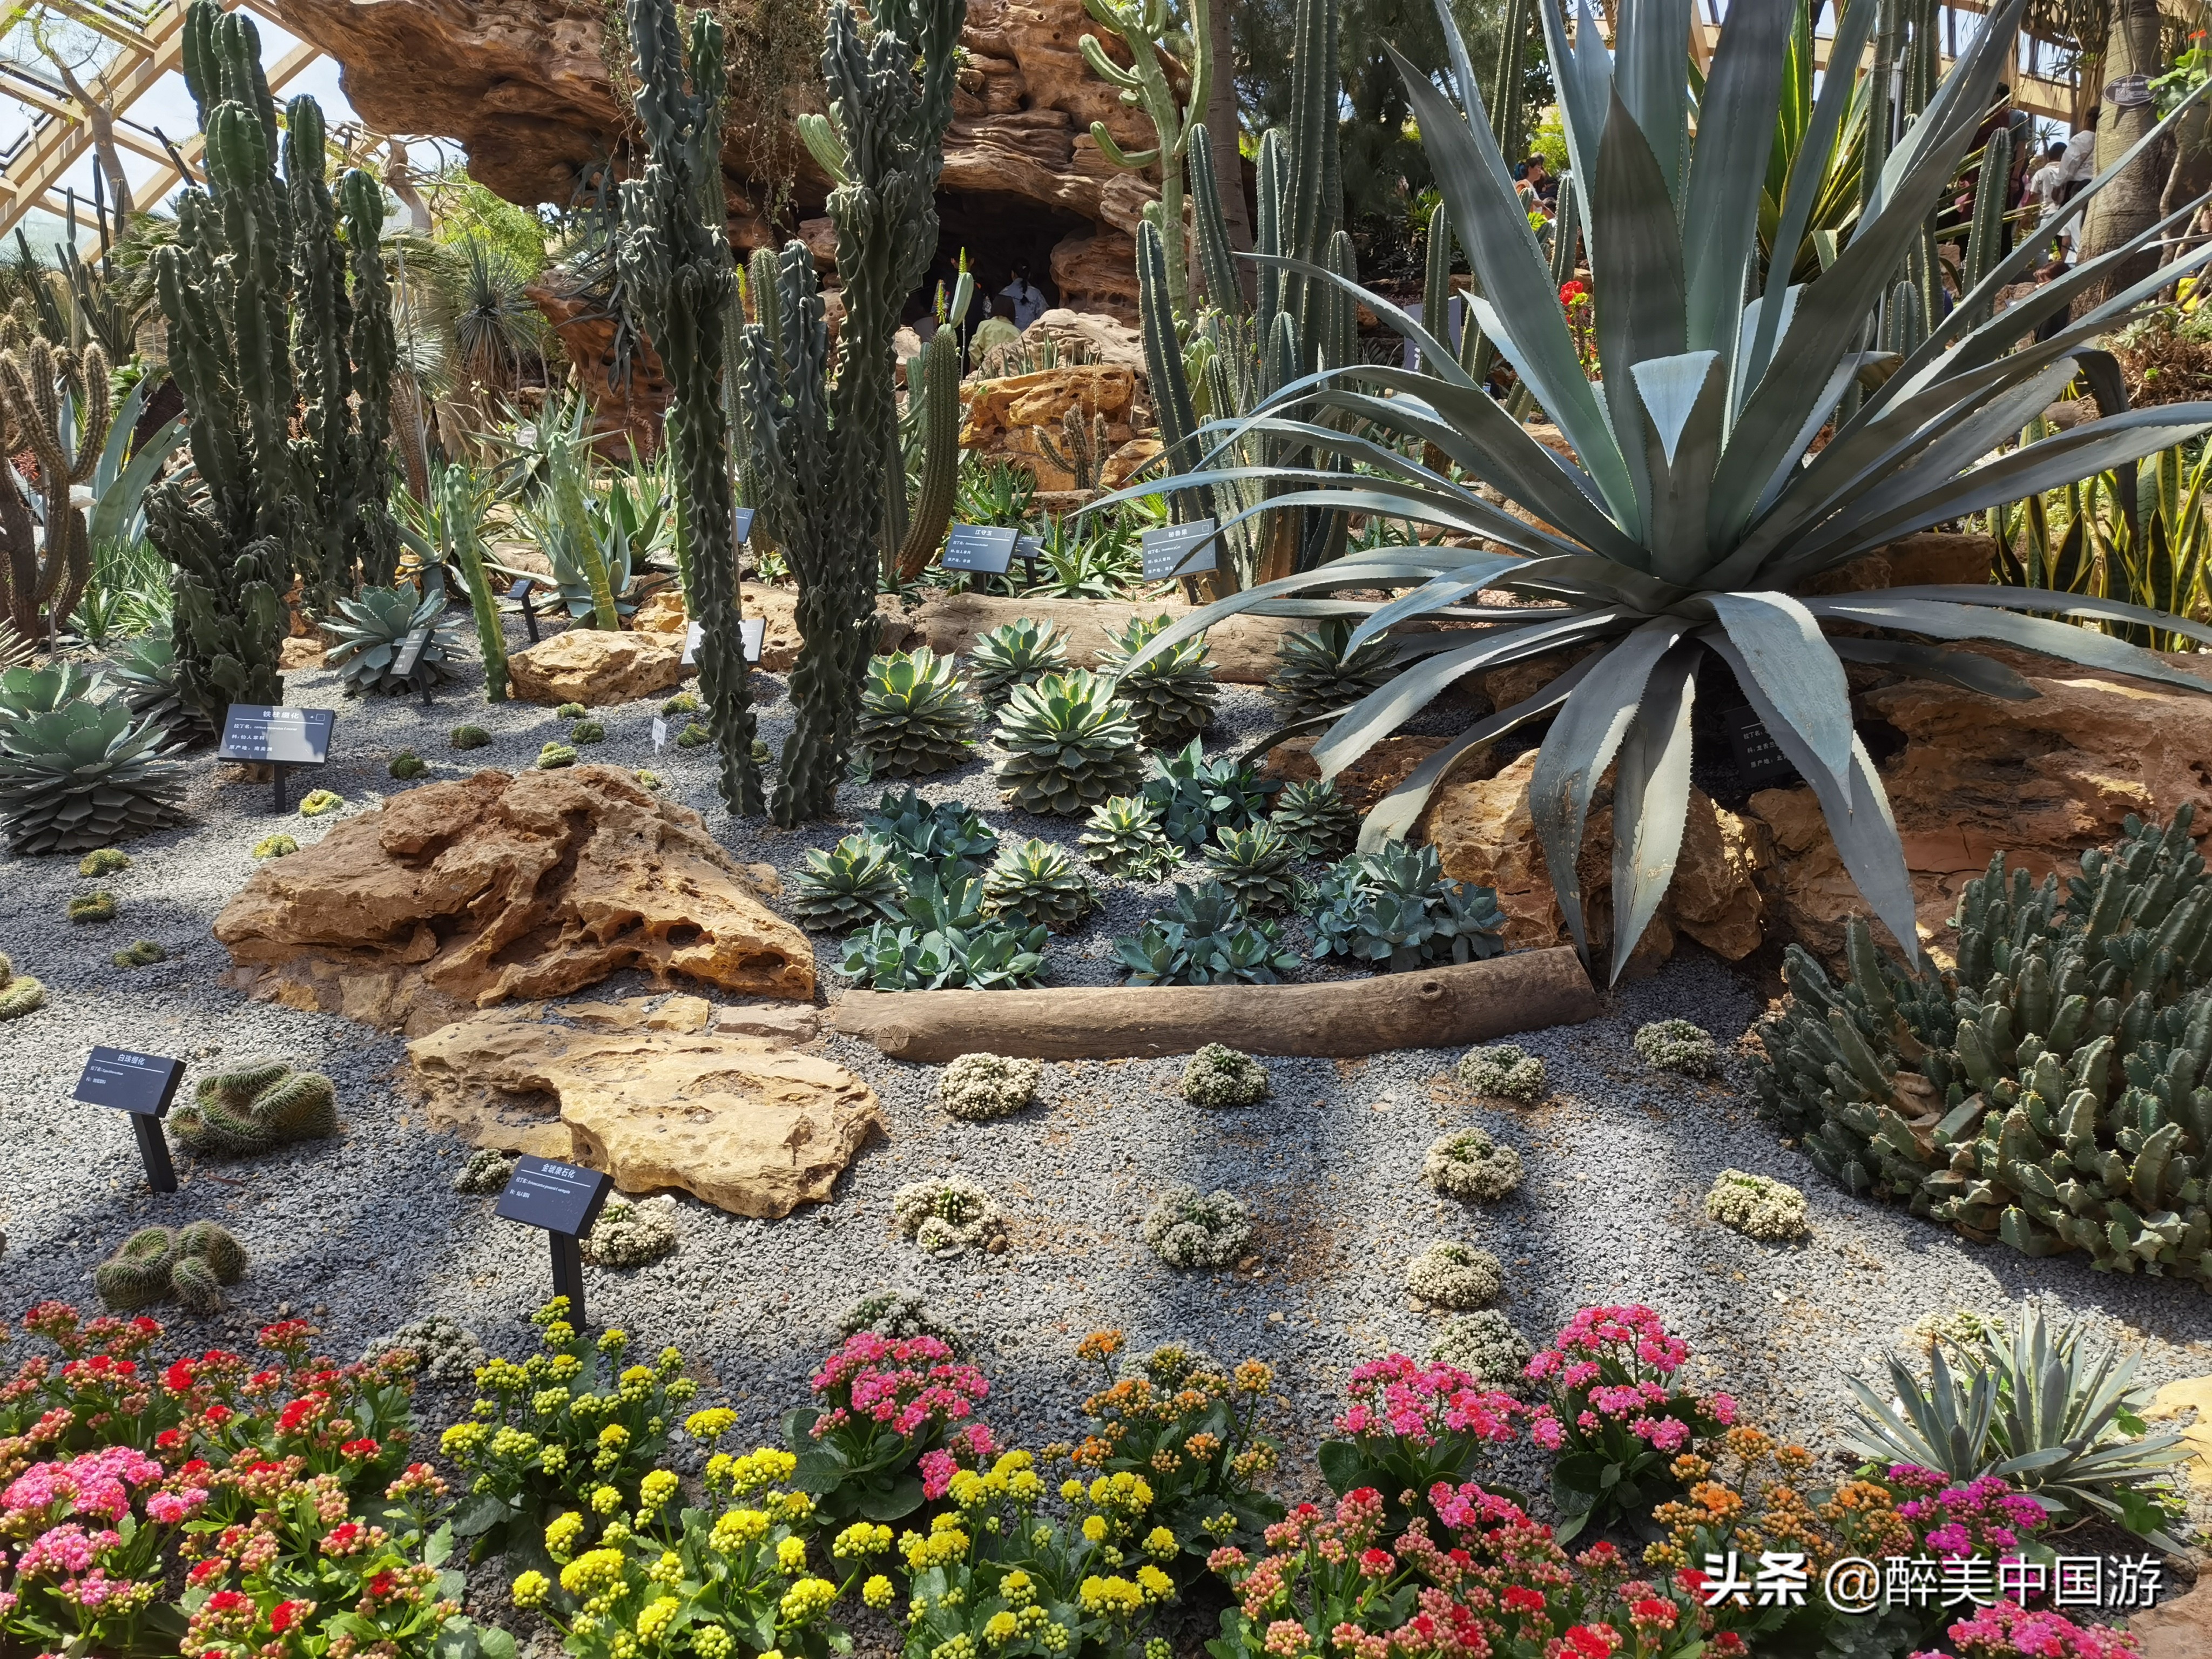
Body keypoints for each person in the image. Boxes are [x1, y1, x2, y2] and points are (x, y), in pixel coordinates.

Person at [968, 295, 1022, 372]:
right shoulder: (1017, 332)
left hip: (987, 373)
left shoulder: (985, 325)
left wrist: (970, 376)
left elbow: (974, 353)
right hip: (1008, 375)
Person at [999, 264, 1046, 328]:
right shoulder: (1036, 294)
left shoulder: (1003, 293)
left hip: (1008, 337)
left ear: (1012, 274)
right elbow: (1044, 318)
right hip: (1030, 337)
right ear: (1029, 275)